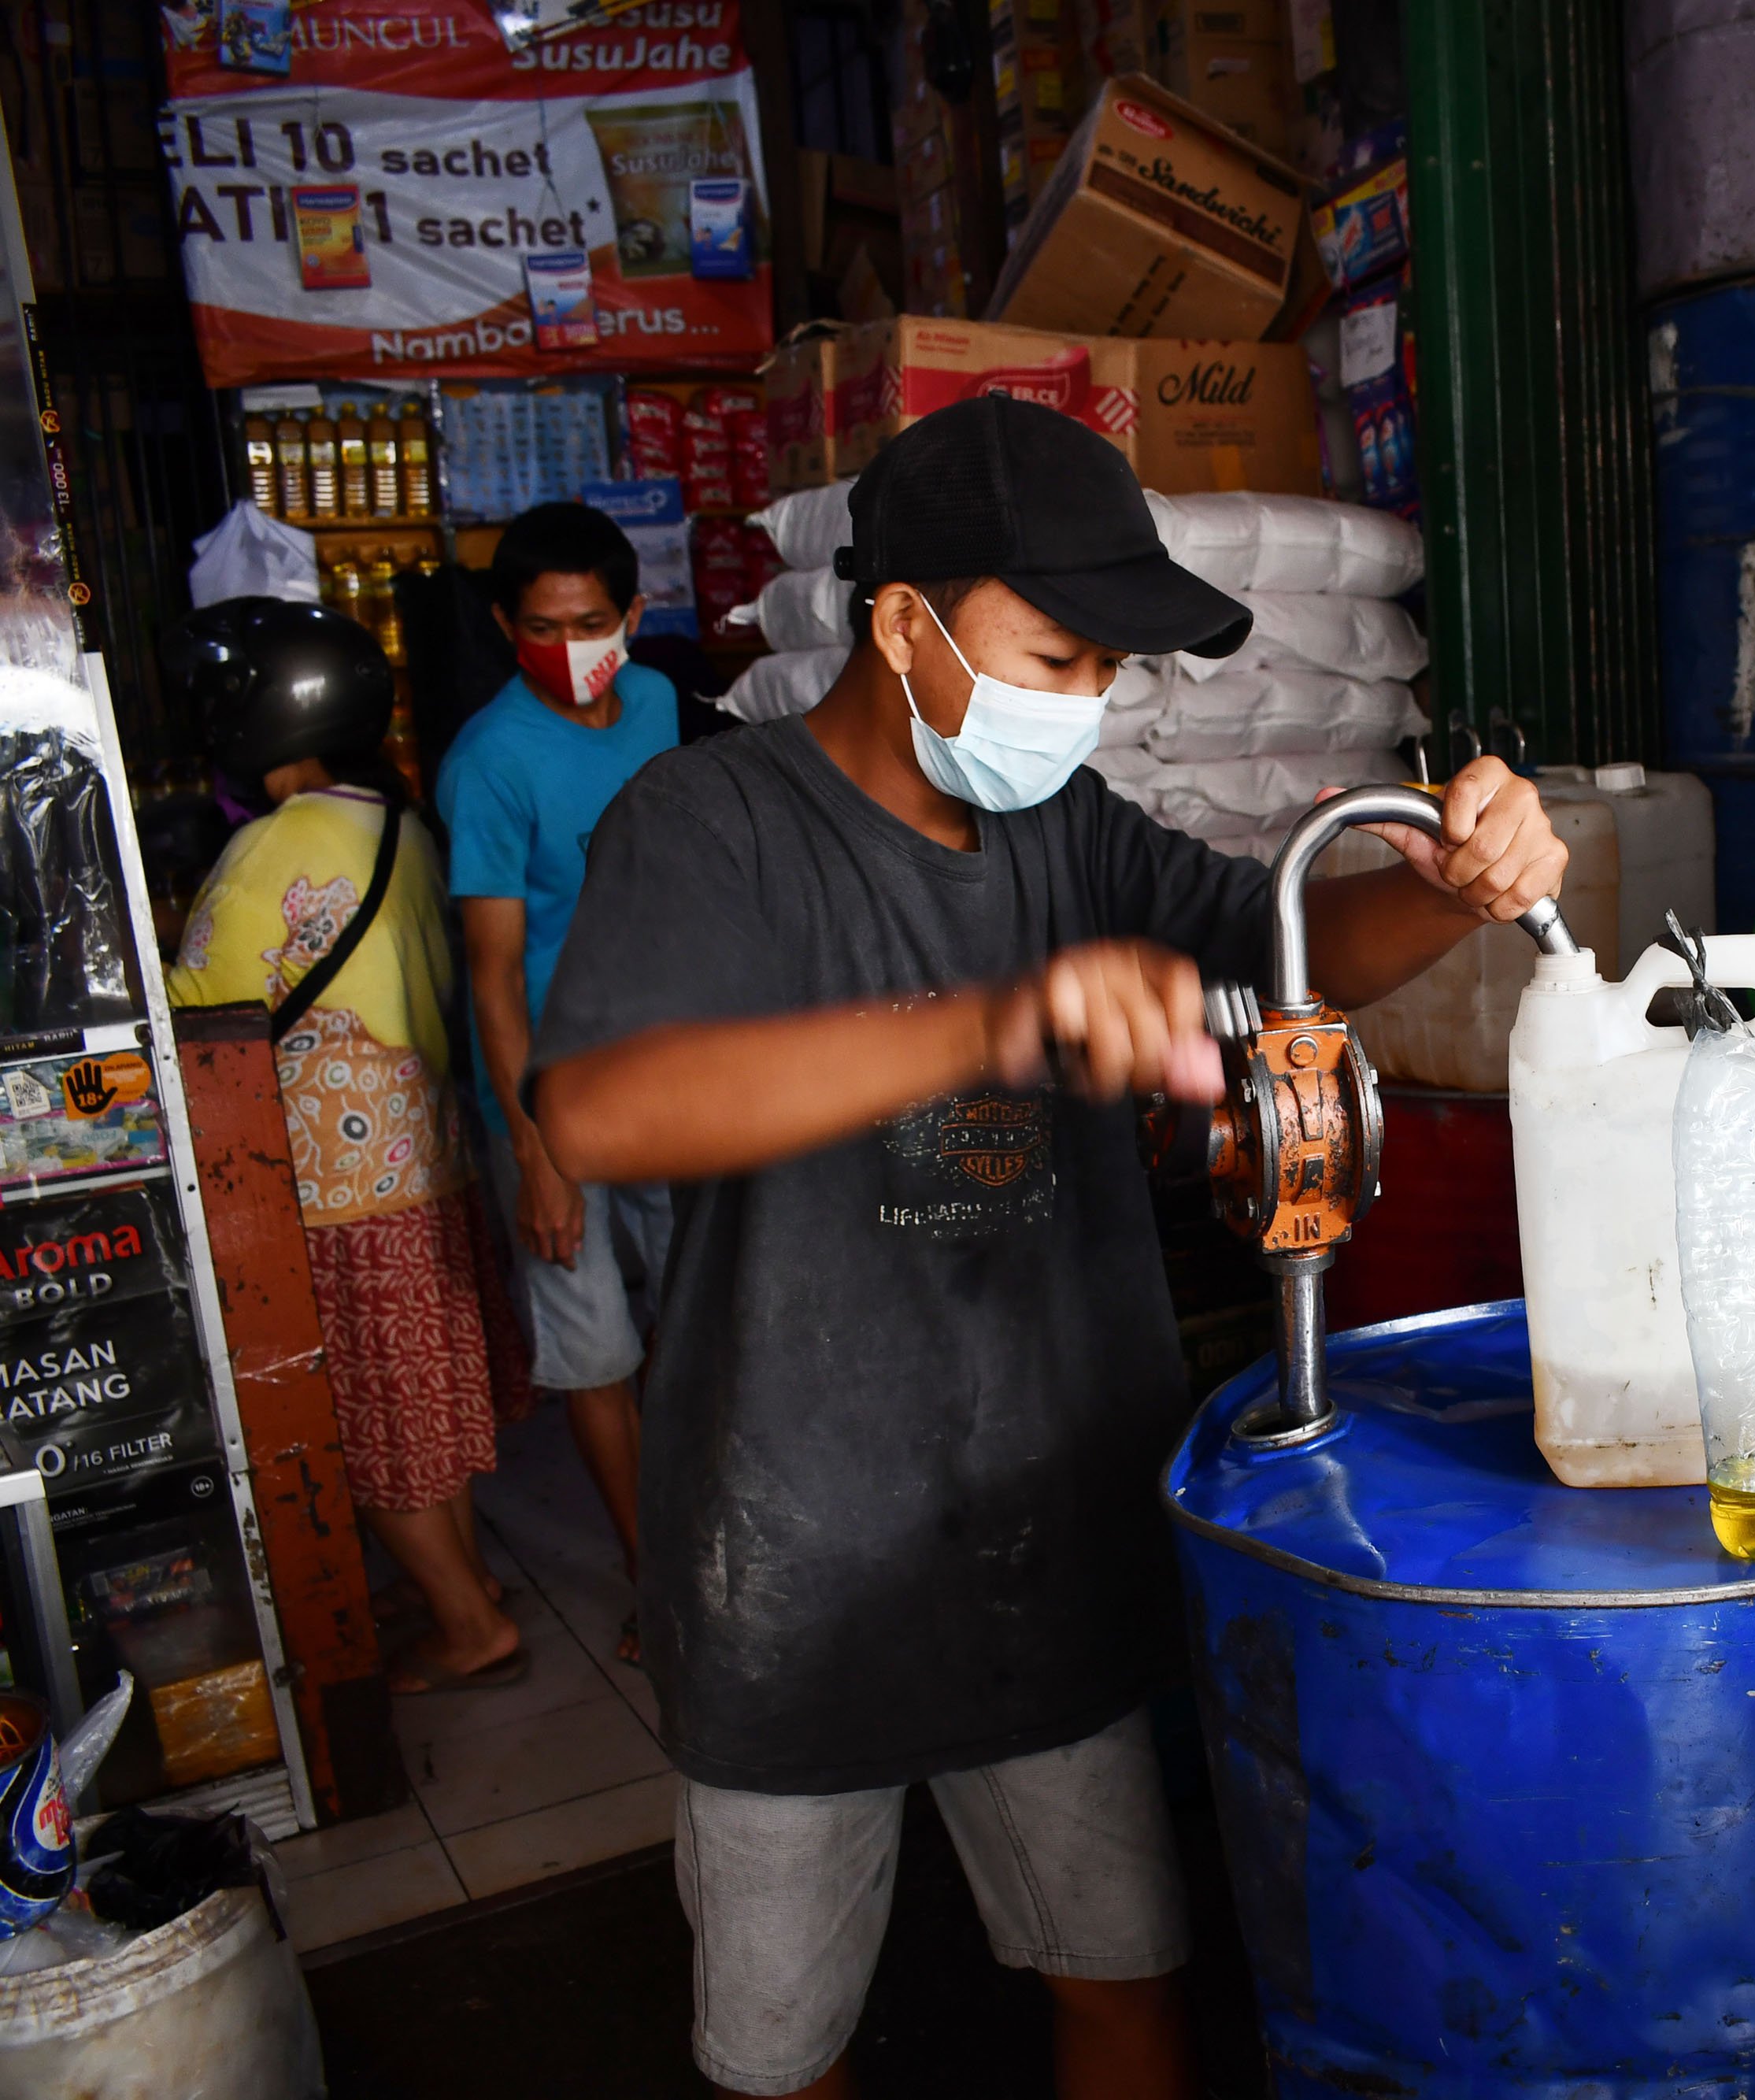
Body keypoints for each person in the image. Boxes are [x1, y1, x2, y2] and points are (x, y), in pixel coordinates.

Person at [528, 397, 1568, 2100]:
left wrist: (1452, 885)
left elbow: (1293, 944)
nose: (1080, 703)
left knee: (1122, 1981)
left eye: (1105, 671)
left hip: (1047, 1558)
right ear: (898, 620)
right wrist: (989, 1021)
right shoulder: (706, 825)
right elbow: (602, 1112)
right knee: (786, 2050)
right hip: (791, 1575)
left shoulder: (1069, 838)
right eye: (1055, 651)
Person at [165, 599, 531, 1694]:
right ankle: (466, 1585)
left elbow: (200, 1010)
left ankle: (468, 1621)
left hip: (333, 1190)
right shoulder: (403, 822)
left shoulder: (269, 847)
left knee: (367, 1423)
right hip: (430, 1162)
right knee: (422, 1409)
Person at [431, 501, 677, 1665]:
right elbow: (491, 977)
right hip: (552, 1103)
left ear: (633, 615)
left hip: (670, 1082)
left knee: (707, 1323)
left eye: (589, 620)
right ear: (501, 625)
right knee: (599, 1357)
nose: (568, 644)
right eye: (539, 624)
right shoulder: (487, 763)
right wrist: (533, 1152)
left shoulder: (664, 707)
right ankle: (657, 1589)